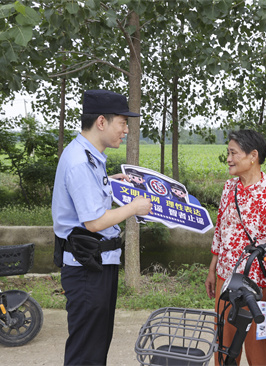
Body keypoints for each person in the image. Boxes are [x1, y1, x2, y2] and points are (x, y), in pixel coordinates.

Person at [52, 89, 152, 365]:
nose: (126, 130)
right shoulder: (80, 163)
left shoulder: (90, 158)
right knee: (86, 351)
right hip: (87, 269)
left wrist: (111, 181)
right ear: (101, 122)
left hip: (98, 263)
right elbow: (94, 222)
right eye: (122, 122)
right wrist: (134, 208)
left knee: (96, 346)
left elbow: (89, 200)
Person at [205, 129, 266, 366]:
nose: (229, 159)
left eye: (233, 153)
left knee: (260, 356)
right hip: (226, 281)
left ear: (253, 155)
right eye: (228, 153)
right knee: (224, 351)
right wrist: (212, 269)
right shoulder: (228, 188)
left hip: (258, 288)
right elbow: (220, 232)